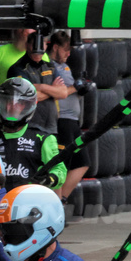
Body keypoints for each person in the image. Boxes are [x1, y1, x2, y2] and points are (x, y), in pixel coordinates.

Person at [0, 78, 66, 192]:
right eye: (7, 102)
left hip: (31, 203)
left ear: (26, 106)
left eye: (18, 103)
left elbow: (59, 169)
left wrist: (50, 179)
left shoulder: (43, 139)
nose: (10, 107)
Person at [47, 31, 91, 200]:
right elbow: (57, 92)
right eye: (65, 50)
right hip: (61, 121)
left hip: (73, 122)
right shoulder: (48, 66)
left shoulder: (65, 67)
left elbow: (71, 91)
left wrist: (81, 90)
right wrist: (76, 87)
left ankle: (61, 200)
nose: (68, 54)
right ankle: (54, 203)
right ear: (56, 47)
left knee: (83, 162)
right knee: (61, 165)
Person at [0, 29, 46, 127]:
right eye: (22, 28)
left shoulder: (41, 55)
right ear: (16, 31)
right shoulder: (1, 52)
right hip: (7, 110)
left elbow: (60, 91)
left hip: (40, 116)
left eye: (30, 30)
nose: (24, 32)